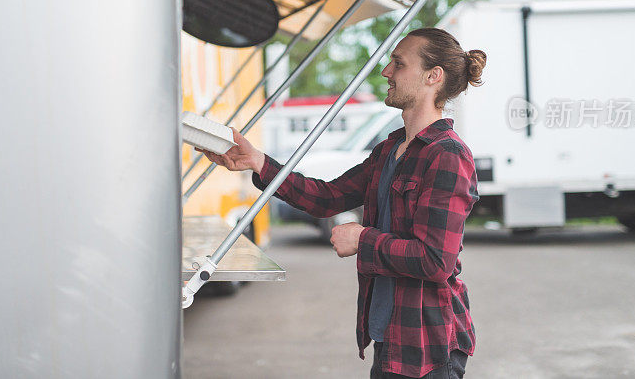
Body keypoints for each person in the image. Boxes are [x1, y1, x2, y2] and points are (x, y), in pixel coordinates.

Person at [204, 27, 486, 379]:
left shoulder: (447, 155)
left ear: (433, 77)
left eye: (398, 63)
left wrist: (362, 239)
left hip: (428, 347)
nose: (386, 72)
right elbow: (327, 197)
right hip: (390, 335)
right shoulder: (389, 150)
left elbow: (435, 260)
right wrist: (258, 162)